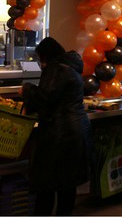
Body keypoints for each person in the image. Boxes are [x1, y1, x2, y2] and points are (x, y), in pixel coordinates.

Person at [21, 37, 91, 216]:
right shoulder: (71, 66)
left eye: (40, 57)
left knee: (48, 183)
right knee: (67, 183)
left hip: (60, 134)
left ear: (46, 55)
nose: (40, 62)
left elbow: (45, 97)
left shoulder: (57, 68)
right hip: (75, 131)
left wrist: (27, 89)